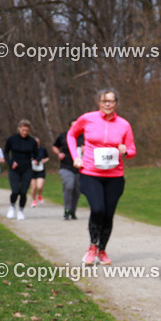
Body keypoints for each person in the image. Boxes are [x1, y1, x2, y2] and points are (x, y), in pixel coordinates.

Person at [67, 89, 136, 265]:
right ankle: (92, 247)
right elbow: (71, 134)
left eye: (111, 101)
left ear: (116, 104)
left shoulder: (124, 125)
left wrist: (125, 151)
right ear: (99, 102)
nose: (107, 104)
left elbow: (132, 150)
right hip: (91, 173)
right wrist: (76, 156)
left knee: (108, 214)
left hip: (115, 176)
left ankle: (102, 250)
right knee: (98, 209)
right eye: (104, 101)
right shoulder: (87, 118)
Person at [4, 120, 39, 219]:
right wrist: (11, 163)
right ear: (19, 128)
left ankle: (21, 210)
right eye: (23, 130)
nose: (25, 132)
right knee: (15, 190)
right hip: (14, 168)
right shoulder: (12, 139)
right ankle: (12, 207)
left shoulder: (32, 141)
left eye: (27, 131)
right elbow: (6, 152)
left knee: (23, 191)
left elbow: (36, 154)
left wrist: (35, 158)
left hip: (27, 168)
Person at [52, 123, 81, 219]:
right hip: (66, 166)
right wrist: (59, 153)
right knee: (69, 186)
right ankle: (67, 209)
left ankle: (73, 211)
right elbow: (54, 146)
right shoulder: (64, 136)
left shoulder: (83, 137)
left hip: (80, 168)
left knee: (77, 190)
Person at [28, 136, 50, 207]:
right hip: (32, 170)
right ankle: (34, 200)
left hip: (40, 169)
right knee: (33, 187)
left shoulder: (42, 149)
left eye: (37, 142)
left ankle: (39, 195)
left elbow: (47, 158)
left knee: (39, 186)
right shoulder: (29, 150)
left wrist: (44, 161)